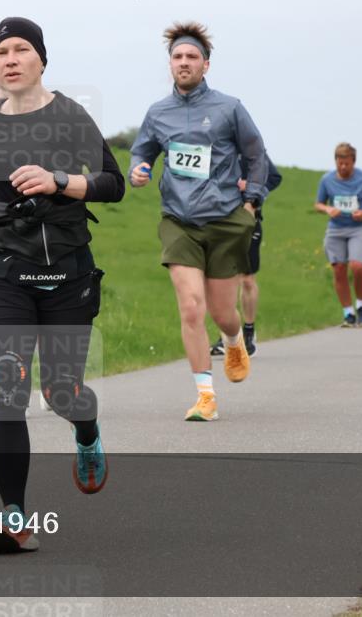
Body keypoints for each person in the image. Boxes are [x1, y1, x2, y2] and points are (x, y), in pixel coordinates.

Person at [0, 17, 124, 553]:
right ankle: (14, 518)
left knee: (62, 392)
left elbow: (112, 184)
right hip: (5, 271)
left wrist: (61, 182)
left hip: (67, 274)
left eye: (21, 49)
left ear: (41, 59)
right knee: (8, 386)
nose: (10, 58)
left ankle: (85, 431)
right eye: (1, 52)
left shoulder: (71, 116)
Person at [129, 21, 268, 423]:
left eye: (192, 57)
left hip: (225, 220)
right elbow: (142, 152)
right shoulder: (158, 113)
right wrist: (139, 169)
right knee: (191, 308)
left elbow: (257, 155)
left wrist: (251, 202)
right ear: (170, 65)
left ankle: (233, 338)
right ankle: (205, 397)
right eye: (177, 57)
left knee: (223, 311)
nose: (184, 62)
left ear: (206, 65)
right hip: (179, 221)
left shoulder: (229, 108)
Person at [210, 154, 282, 357]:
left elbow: (275, 177)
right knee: (221, 279)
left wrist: (252, 189)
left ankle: (249, 332)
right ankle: (226, 336)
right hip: (219, 220)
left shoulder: (252, 150)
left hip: (248, 221)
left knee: (247, 279)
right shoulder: (215, 146)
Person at [314, 143, 362, 327]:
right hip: (336, 229)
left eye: (347, 163)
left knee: (357, 266)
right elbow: (318, 203)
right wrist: (328, 209)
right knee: (339, 269)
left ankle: (361, 305)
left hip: (358, 228)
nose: (343, 167)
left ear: (353, 162)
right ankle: (348, 313)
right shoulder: (327, 180)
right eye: (340, 163)